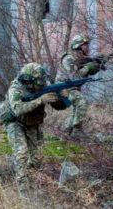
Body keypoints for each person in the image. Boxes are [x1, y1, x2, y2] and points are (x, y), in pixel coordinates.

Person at [4, 63, 67, 198]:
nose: (42, 85)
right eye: (38, 83)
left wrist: (63, 96)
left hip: (32, 123)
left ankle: (31, 184)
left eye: (42, 82)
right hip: (15, 123)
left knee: (37, 157)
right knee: (21, 154)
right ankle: (24, 194)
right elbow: (18, 109)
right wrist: (40, 100)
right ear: (28, 80)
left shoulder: (43, 83)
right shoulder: (16, 88)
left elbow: (59, 107)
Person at [55, 34, 102, 139]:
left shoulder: (81, 58)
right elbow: (75, 77)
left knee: (77, 106)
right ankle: (77, 130)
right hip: (62, 88)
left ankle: (66, 131)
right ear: (78, 46)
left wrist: (97, 65)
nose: (87, 47)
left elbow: (85, 73)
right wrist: (88, 67)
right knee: (81, 102)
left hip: (71, 88)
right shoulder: (68, 59)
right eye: (85, 45)